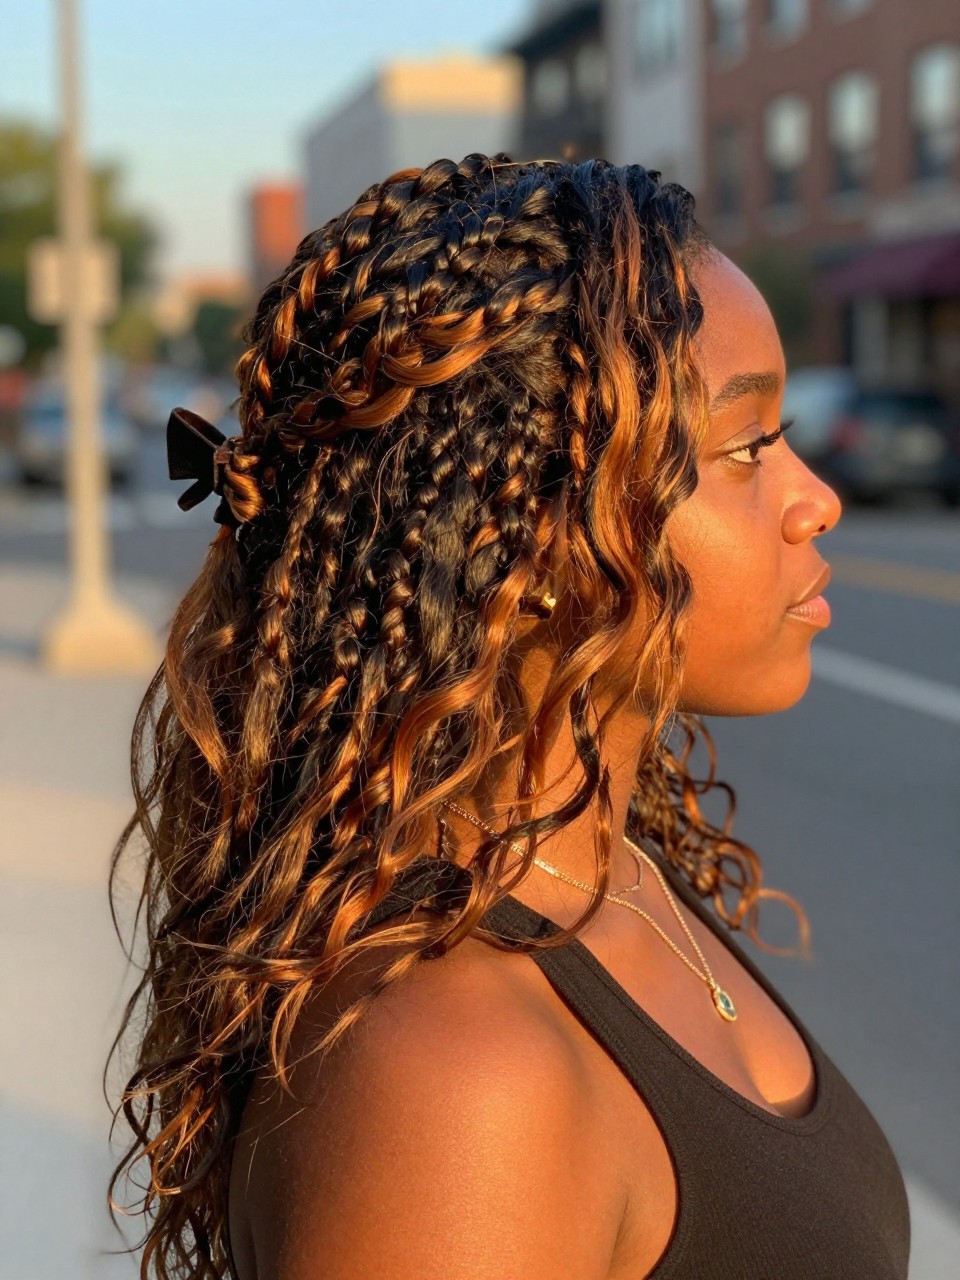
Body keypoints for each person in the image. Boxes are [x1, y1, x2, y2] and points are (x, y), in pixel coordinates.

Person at [108, 154, 910, 1279]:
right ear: (529, 544)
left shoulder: (608, 865)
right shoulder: (454, 1078)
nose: (813, 498)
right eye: (743, 449)